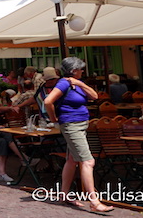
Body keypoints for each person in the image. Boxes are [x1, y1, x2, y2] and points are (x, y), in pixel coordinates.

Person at [44, 57, 113, 213]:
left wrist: (80, 84)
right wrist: (54, 119)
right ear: (74, 70)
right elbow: (48, 102)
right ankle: (94, 201)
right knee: (88, 161)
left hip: (80, 124)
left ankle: (64, 194)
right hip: (71, 125)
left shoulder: (76, 83)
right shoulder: (63, 83)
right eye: (81, 69)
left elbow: (95, 96)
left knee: (71, 159)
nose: (83, 71)